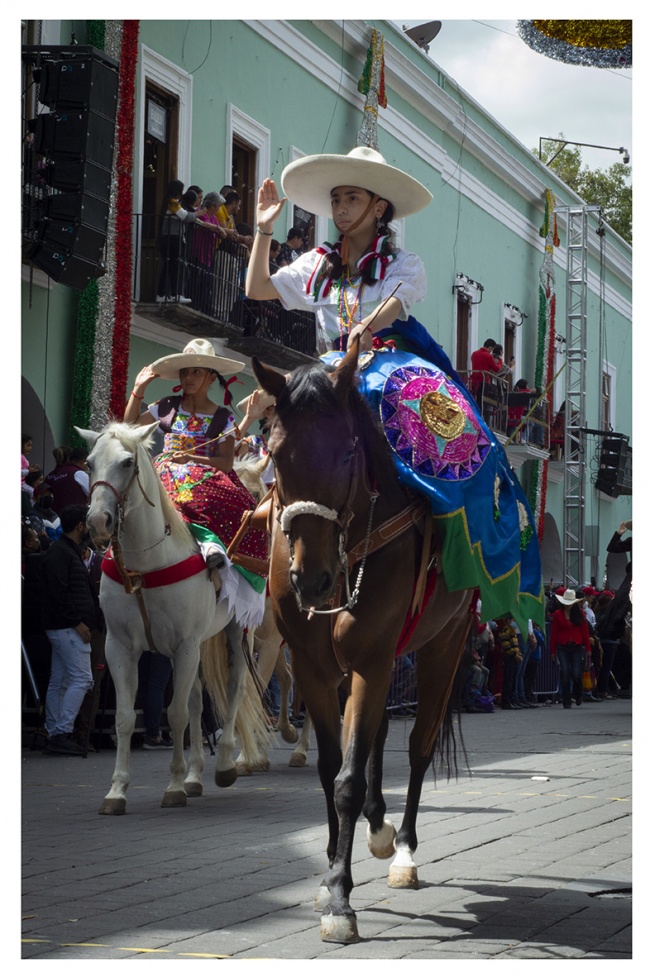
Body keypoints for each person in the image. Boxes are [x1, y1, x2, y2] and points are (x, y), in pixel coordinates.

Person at [123, 338, 268, 627]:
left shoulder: (223, 417)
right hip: (164, 469)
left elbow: (225, 462)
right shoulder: (166, 406)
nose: (188, 378)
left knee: (231, 505)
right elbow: (128, 429)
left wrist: (191, 458)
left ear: (211, 377)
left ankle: (211, 547)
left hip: (203, 474)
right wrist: (138, 391)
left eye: (196, 373)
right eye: (185, 372)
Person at [246, 146, 432, 354]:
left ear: (378, 208)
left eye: (352, 198)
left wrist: (367, 326)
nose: (341, 209)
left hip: (385, 367)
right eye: (336, 200)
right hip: (334, 367)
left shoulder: (402, 264)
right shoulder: (318, 264)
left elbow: (393, 304)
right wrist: (264, 228)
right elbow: (257, 289)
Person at [41, 504, 99, 755]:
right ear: (81, 526)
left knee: (61, 680)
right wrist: (77, 621)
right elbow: (59, 591)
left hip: (63, 626)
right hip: (68, 627)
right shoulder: (62, 553)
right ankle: (61, 731)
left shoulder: (63, 551)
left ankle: (55, 731)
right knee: (82, 679)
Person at [156, 179, 199, 304]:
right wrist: (198, 214)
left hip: (170, 238)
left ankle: (165, 294)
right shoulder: (173, 202)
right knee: (173, 267)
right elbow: (184, 216)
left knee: (170, 266)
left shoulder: (169, 202)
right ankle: (173, 294)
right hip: (173, 238)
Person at [550, 588, 591, 709]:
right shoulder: (558, 614)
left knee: (576, 673)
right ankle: (566, 699)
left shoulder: (580, 614)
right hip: (562, 646)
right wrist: (552, 651)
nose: (567, 605)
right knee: (565, 672)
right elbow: (554, 633)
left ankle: (578, 694)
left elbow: (585, 632)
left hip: (577, 646)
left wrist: (588, 649)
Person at [45, 445, 89, 514]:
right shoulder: (77, 473)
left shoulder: (49, 476)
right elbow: (92, 493)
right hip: (75, 516)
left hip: (54, 517)